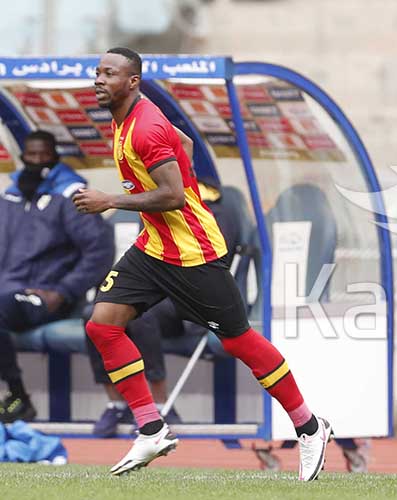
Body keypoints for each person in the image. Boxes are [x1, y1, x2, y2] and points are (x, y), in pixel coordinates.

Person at [73, 47, 330, 479]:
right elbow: (185, 144)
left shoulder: (145, 127)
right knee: (102, 325)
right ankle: (151, 429)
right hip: (154, 247)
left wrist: (110, 200)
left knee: (238, 341)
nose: (98, 79)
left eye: (109, 73)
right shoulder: (126, 117)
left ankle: (309, 427)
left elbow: (173, 195)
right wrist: (180, 178)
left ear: (132, 81)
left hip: (193, 252)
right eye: (97, 72)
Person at [87, 177, 240, 437]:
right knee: (95, 316)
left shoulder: (214, 207)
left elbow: (216, 260)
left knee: (140, 316)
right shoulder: (150, 203)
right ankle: (116, 404)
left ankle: (159, 404)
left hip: (189, 298)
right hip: (156, 290)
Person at [0, 131, 113, 423]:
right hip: (8, 292)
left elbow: (99, 252)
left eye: (44, 155)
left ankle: (18, 397)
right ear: (23, 156)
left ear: (55, 156)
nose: (37, 160)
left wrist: (63, 292)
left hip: (46, 296)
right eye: (31, 155)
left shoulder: (71, 196)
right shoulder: (11, 196)